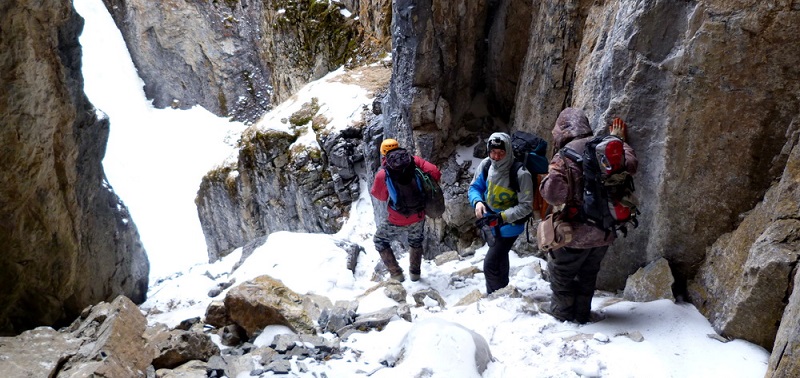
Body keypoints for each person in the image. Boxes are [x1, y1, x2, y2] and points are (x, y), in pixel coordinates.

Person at [539, 108, 638, 323]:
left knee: (561, 274)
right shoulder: (606, 147)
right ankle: (582, 314)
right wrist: (619, 140)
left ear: (563, 129)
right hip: (604, 230)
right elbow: (630, 164)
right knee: (588, 273)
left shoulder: (563, 156)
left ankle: (562, 316)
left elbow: (553, 195)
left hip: (574, 233)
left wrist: (548, 178)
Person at [468, 132, 534, 294]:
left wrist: (502, 217)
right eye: (493, 152)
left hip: (510, 225)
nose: (496, 157)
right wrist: (477, 202)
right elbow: (474, 188)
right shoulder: (486, 165)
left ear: (508, 151)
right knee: (500, 258)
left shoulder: (520, 174)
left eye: (500, 153)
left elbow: (526, 206)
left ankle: (494, 297)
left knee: (490, 264)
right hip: (491, 221)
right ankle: (504, 291)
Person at [371, 138, 442, 282]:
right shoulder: (414, 161)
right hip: (419, 213)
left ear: (383, 154)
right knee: (415, 241)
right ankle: (415, 274)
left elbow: (380, 196)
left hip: (397, 217)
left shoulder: (383, 174)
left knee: (379, 240)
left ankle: (396, 274)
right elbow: (435, 172)